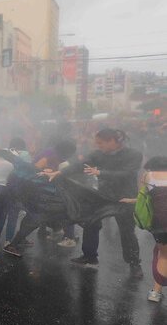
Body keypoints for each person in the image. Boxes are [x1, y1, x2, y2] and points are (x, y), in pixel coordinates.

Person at [53, 129, 144, 277]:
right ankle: (89, 256)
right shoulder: (97, 154)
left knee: (127, 231)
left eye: (100, 143)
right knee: (90, 223)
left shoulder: (133, 155)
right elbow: (80, 165)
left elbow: (127, 173)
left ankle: (135, 264)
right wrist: (60, 173)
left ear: (112, 141)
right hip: (103, 195)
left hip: (125, 198)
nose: (97, 145)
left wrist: (101, 173)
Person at [135, 156, 167, 302]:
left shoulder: (148, 176)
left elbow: (143, 196)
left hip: (161, 224)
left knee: (164, 256)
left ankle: (156, 293)